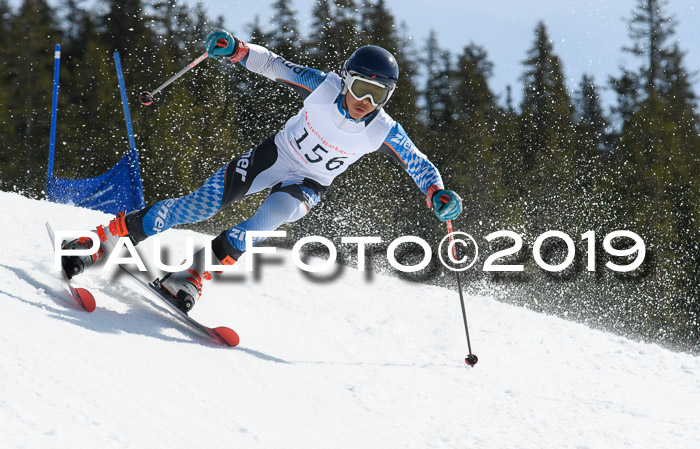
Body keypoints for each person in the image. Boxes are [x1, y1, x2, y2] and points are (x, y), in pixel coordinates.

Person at [61, 29, 463, 313]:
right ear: (345, 80)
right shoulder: (323, 87)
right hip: (273, 158)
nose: (364, 101)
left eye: (378, 95)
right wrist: (237, 49)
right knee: (194, 208)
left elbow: (420, 165)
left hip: (309, 185)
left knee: (261, 225)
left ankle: (190, 277)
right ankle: (99, 241)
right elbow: (275, 65)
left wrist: (437, 193)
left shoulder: (383, 129)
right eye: (360, 88)